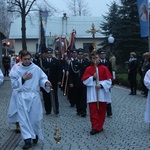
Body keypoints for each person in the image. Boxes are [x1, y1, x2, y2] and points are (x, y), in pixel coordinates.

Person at [8, 50, 51, 149]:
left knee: (34, 118)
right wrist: (23, 79)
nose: (27, 61)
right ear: (21, 59)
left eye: (28, 59)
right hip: (22, 96)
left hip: (33, 96)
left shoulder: (36, 69)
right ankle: (27, 139)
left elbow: (42, 78)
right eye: (25, 59)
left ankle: (35, 134)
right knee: (23, 119)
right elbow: (14, 85)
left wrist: (46, 83)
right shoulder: (17, 70)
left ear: (31, 58)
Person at [82, 52, 113, 135]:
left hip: (102, 93)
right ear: (91, 59)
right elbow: (84, 81)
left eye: (96, 58)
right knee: (93, 111)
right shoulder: (88, 69)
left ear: (99, 58)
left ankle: (100, 126)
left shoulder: (104, 68)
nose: (95, 60)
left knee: (102, 110)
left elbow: (109, 81)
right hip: (92, 93)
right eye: (93, 58)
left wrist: (101, 85)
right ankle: (95, 127)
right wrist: (93, 77)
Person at [98, 49, 113, 117]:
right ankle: (101, 110)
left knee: (108, 96)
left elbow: (111, 72)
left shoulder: (108, 62)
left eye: (103, 54)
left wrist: (112, 82)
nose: (102, 55)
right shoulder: (97, 63)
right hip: (100, 82)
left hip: (106, 82)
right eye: (101, 54)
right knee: (100, 97)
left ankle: (109, 112)